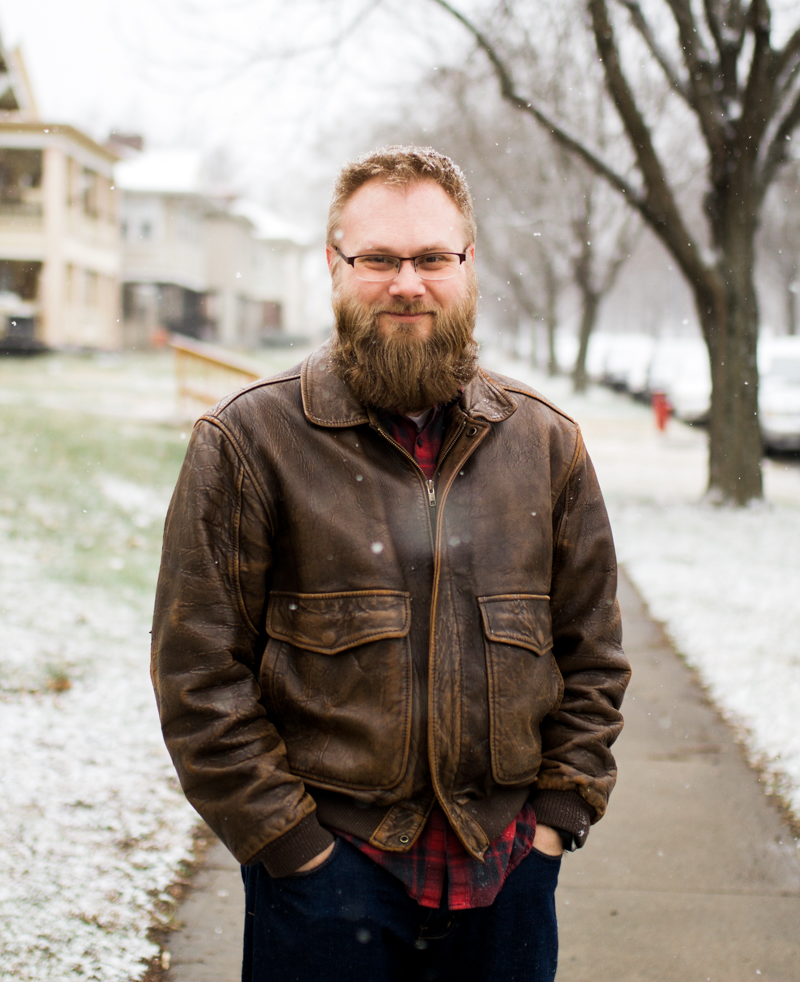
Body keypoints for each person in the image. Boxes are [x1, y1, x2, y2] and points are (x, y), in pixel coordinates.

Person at [151, 145, 630, 982]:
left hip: (506, 878)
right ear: (333, 266)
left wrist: (555, 820)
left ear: (467, 266)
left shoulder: (545, 444)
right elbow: (198, 675)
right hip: (328, 887)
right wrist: (292, 848)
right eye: (378, 259)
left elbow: (591, 655)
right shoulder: (249, 442)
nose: (407, 283)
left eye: (431, 258)